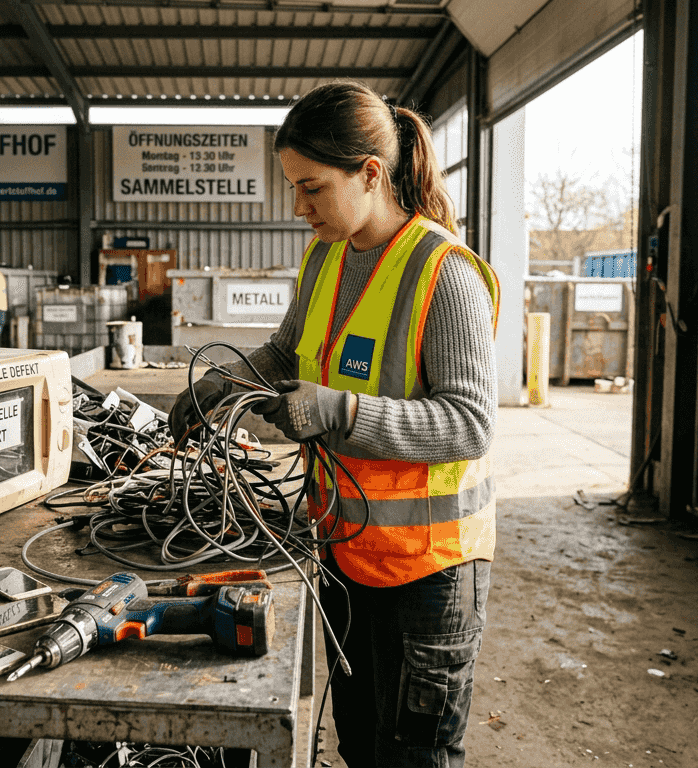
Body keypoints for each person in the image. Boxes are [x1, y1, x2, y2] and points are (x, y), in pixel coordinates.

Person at [169, 82, 499, 768]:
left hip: (429, 570)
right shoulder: (325, 256)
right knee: (358, 744)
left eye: (312, 187)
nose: (299, 208)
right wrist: (220, 384)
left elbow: (469, 423)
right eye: (294, 188)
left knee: (412, 755)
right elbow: (285, 353)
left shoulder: (445, 274)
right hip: (345, 550)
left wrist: (338, 411)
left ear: (370, 173)